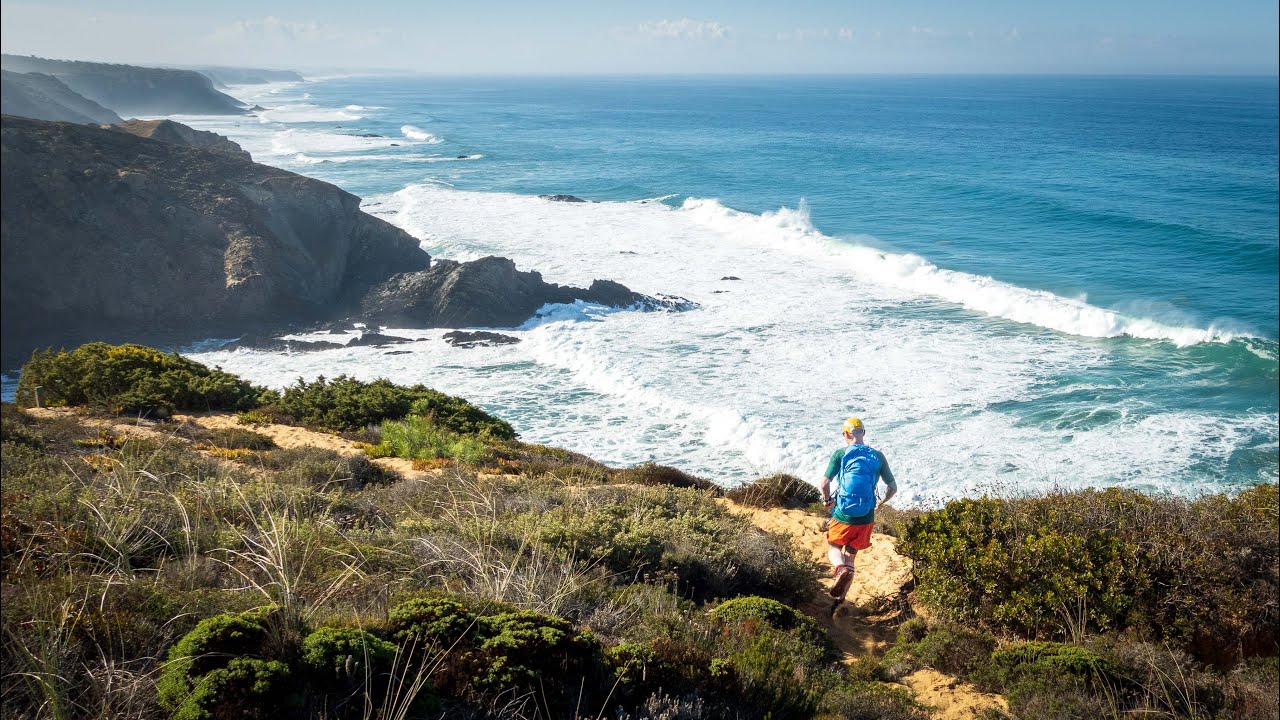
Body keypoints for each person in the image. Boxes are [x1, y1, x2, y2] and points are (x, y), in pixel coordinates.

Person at [821, 416, 897, 602]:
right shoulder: (878, 456)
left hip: (843, 514)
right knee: (851, 557)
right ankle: (840, 600)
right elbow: (893, 487)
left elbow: (824, 483)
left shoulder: (840, 454)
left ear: (846, 434)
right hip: (866, 518)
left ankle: (840, 569)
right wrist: (881, 502)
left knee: (834, 547)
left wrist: (827, 500)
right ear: (864, 432)